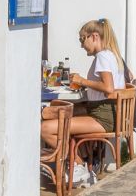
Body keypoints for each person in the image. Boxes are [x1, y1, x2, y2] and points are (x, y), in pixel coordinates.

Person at [43, 18, 127, 148]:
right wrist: (85, 83)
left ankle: (77, 163)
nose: (81, 45)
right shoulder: (112, 55)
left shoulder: (102, 56)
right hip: (109, 112)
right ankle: (79, 157)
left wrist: (82, 81)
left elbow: (108, 88)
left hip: (103, 117)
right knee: (54, 112)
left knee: (45, 128)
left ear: (94, 37)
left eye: (82, 39)